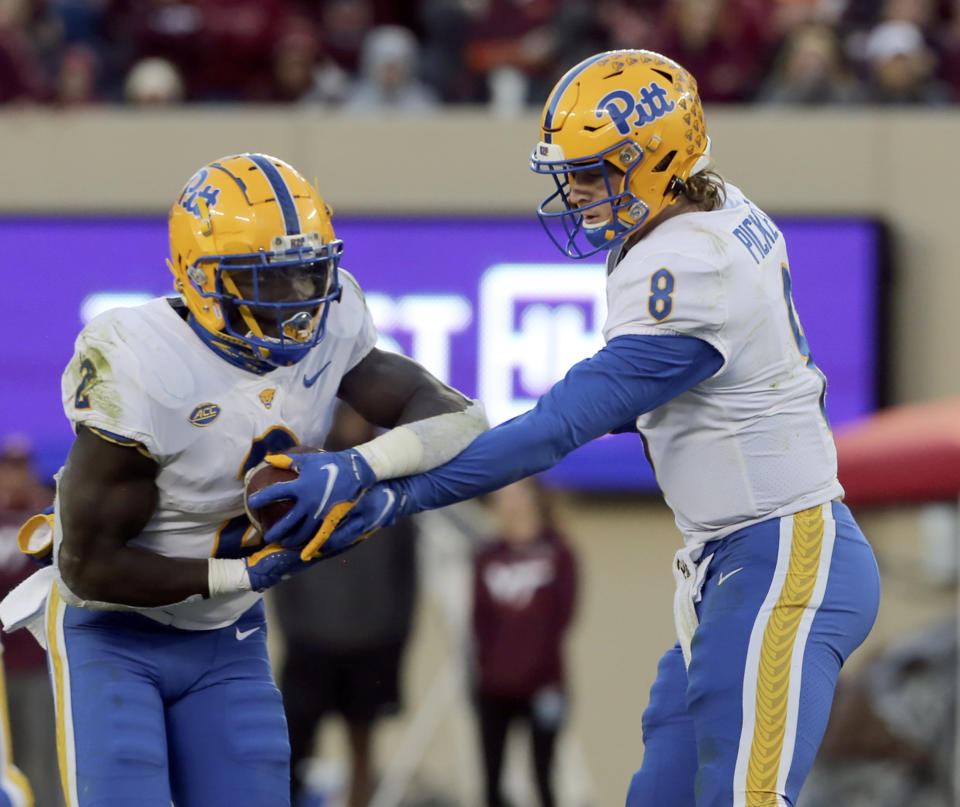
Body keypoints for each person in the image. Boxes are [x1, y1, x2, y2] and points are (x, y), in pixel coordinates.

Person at [251, 50, 883, 807]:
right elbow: (659, 405)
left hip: (783, 553)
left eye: (595, 170)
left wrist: (379, 483)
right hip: (727, 560)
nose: (575, 191)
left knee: (745, 798)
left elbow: (557, 429)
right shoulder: (709, 208)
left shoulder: (689, 267)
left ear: (655, 159)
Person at [0, 152, 487, 807]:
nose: (297, 299)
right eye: (269, 278)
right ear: (201, 279)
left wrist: (358, 468)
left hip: (225, 634)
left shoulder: (333, 324)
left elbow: (461, 417)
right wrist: (250, 572)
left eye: (305, 272)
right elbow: (86, 565)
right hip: (113, 630)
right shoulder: (143, 360)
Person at [272, 402, 418, 807]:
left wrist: (394, 635)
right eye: (348, 414)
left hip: (372, 646)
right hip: (310, 646)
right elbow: (283, 559)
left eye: (363, 414)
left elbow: (407, 575)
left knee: (363, 751)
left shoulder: (393, 483)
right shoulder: (310, 478)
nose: (356, 422)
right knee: (292, 753)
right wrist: (296, 629)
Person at [471, 477, 576, 807]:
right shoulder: (486, 556)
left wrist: (533, 668)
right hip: (493, 688)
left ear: (534, 497)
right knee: (492, 780)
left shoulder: (559, 553)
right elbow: (479, 622)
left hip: (544, 684)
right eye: (500, 494)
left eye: (515, 491)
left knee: (543, 775)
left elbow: (563, 616)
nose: (507, 501)